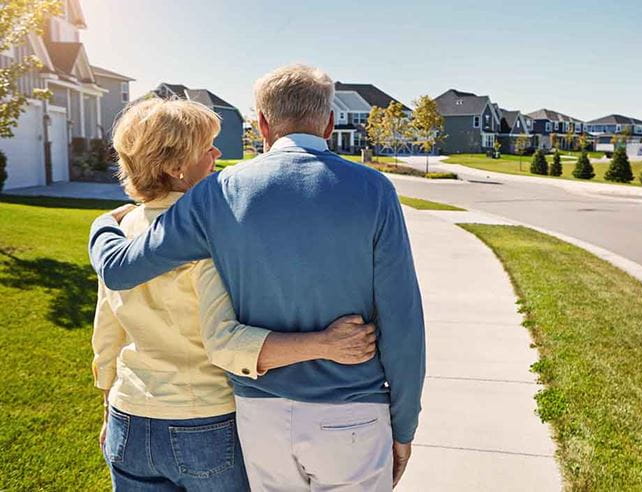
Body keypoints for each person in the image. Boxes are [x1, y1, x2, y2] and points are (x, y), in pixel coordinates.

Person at [89, 64, 426, 491]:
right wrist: (404, 423)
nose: (215, 154)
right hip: (345, 414)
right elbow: (403, 318)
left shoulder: (217, 195)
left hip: (236, 415)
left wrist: (103, 223)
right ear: (330, 122)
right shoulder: (374, 189)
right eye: (207, 146)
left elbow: (119, 274)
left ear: (262, 123)